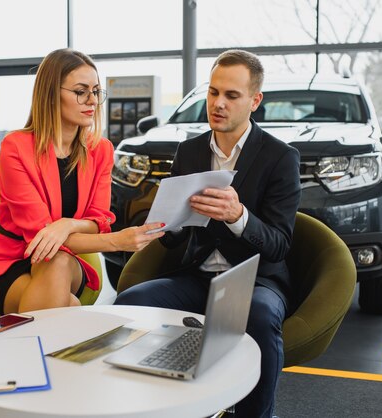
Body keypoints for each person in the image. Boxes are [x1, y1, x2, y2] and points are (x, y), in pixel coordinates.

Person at [114, 49, 301, 418]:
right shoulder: (190, 150)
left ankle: (256, 415)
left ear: (254, 101)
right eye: (213, 93)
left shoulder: (281, 157)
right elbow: (172, 237)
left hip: (256, 280)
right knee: (131, 301)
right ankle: (156, 406)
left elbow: (279, 244)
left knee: (261, 317)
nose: (217, 104)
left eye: (231, 95)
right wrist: (168, 220)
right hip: (199, 275)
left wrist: (239, 215)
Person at [0, 48, 164, 315]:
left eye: (95, 91)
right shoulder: (16, 147)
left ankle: (20, 354)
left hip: (65, 263)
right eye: (80, 91)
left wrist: (66, 224)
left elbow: (100, 221)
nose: (91, 100)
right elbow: (42, 237)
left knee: (57, 261)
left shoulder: (100, 150)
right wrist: (119, 241)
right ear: (50, 95)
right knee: (66, 305)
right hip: (6, 264)